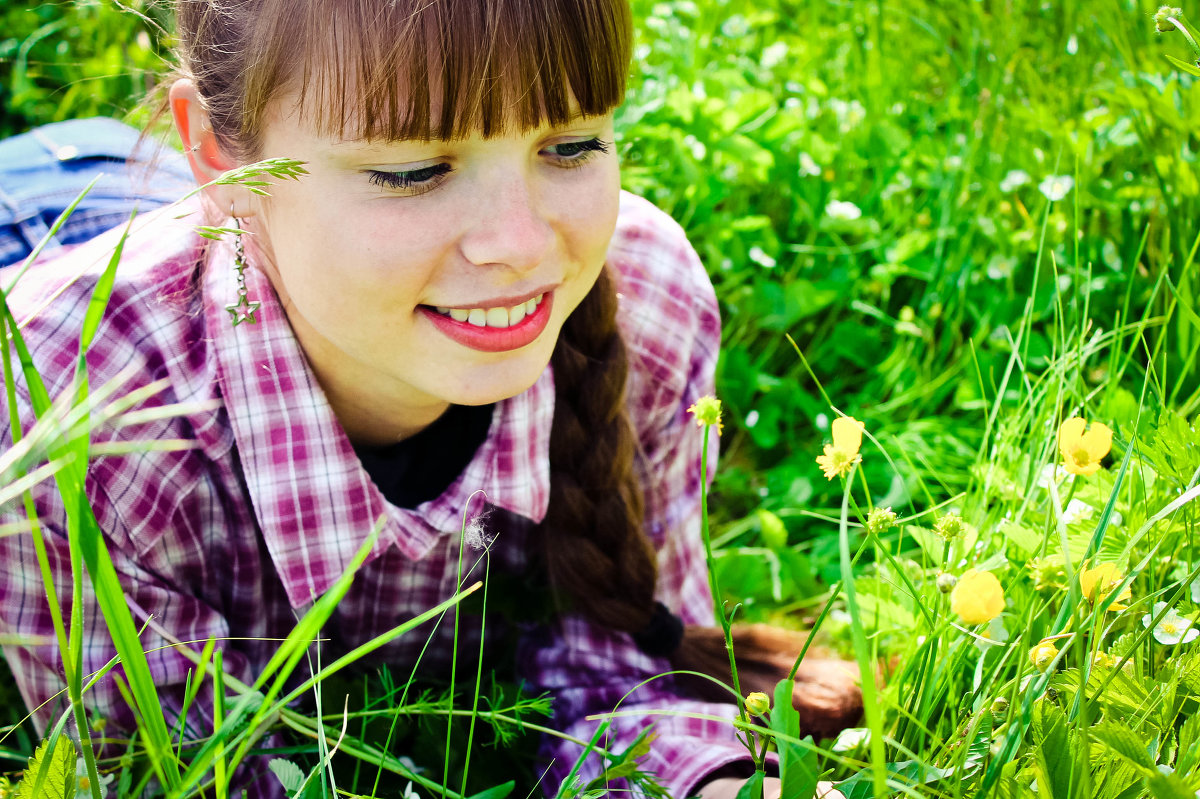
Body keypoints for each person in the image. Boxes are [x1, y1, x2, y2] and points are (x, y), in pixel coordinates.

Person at [0, 0, 856, 796]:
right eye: (412, 169)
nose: (519, 247)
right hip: (43, 208)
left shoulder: (645, 296)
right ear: (223, 155)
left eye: (570, 146)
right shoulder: (69, 412)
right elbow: (169, 770)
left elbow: (625, 677)